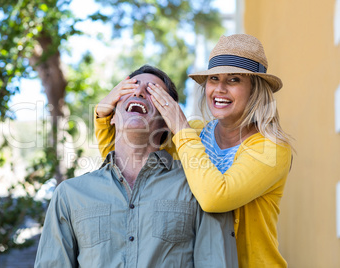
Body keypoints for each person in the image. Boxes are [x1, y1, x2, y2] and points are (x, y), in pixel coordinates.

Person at [94, 35, 293, 268]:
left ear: (255, 89)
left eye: (234, 80)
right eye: (214, 79)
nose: (219, 89)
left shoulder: (272, 148)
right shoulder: (194, 135)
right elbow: (127, 162)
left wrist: (180, 128)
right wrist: (102, 114)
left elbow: (215, 198)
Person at [34, 65, 238, 267]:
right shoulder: (69, 196)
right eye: (129, 88)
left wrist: (180, 125)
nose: (139, 92)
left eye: (152, 91)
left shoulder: (198, 190)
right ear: (112, 116)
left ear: (167, 119)